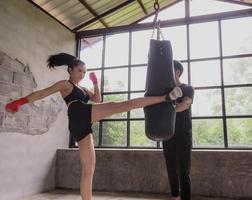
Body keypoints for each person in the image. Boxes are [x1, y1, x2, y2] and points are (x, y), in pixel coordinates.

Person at [5, 53, 182, 200]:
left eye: (85, 71)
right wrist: (20, 102)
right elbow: (43, 93)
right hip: (79, 114)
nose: (82, 74)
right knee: (123, 105)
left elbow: (98, 100)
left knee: (89, 168)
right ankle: (165, 98)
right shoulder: (65, 85)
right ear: (70, 70)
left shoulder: (82, 89)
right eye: (80, 71)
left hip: (81, 123)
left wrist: (95, 82)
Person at [162, 60, 194, 200]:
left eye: (169, 70)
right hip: (167, 134)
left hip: (184, 135)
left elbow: (185, 104)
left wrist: (168, 109)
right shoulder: (165, 92)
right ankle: (175, 197)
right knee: (171, 168)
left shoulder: (188, 88)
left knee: (183, 171)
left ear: (177, 72)